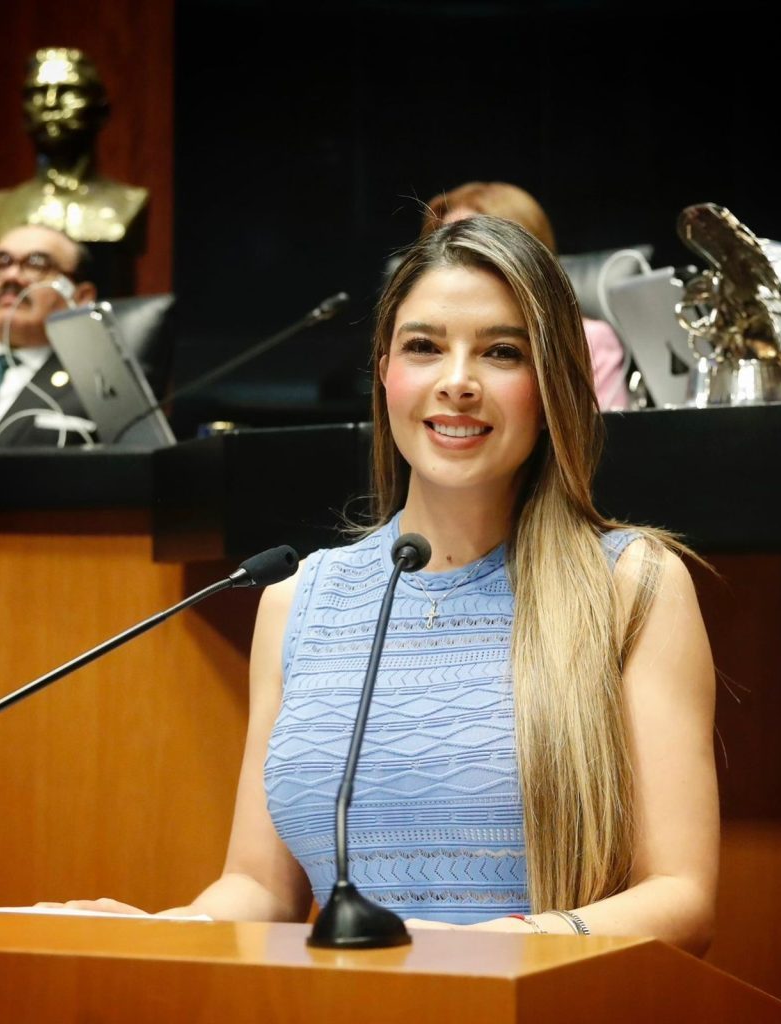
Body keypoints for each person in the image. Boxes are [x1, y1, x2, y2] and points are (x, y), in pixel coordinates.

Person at [40, 217, 718, 954]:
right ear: (386, 371)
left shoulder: (631, 583)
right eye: (424, 347)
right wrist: (158, 933)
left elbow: (680, 897)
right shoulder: (297, 600)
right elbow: (260, 888)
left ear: (551, 381)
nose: (456, 382)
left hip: (537, 997)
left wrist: (496, 946)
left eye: (501, 352)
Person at [420, 181, 630, 410]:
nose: (452, 263)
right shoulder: (417, 333)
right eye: (446, 246)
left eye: (503, 353)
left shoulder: (588, 340)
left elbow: (602, 430)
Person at [0, 48, 148, 294]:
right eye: (37, 93)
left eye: (68, 92)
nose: (50, 104)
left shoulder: (129, 204)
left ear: (101, 110)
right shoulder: (1, 205)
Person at [0, 223, 97, 447]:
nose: (11, 276)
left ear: (81, 297)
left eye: (36, 264)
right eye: (0, 263)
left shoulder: (95, 386)